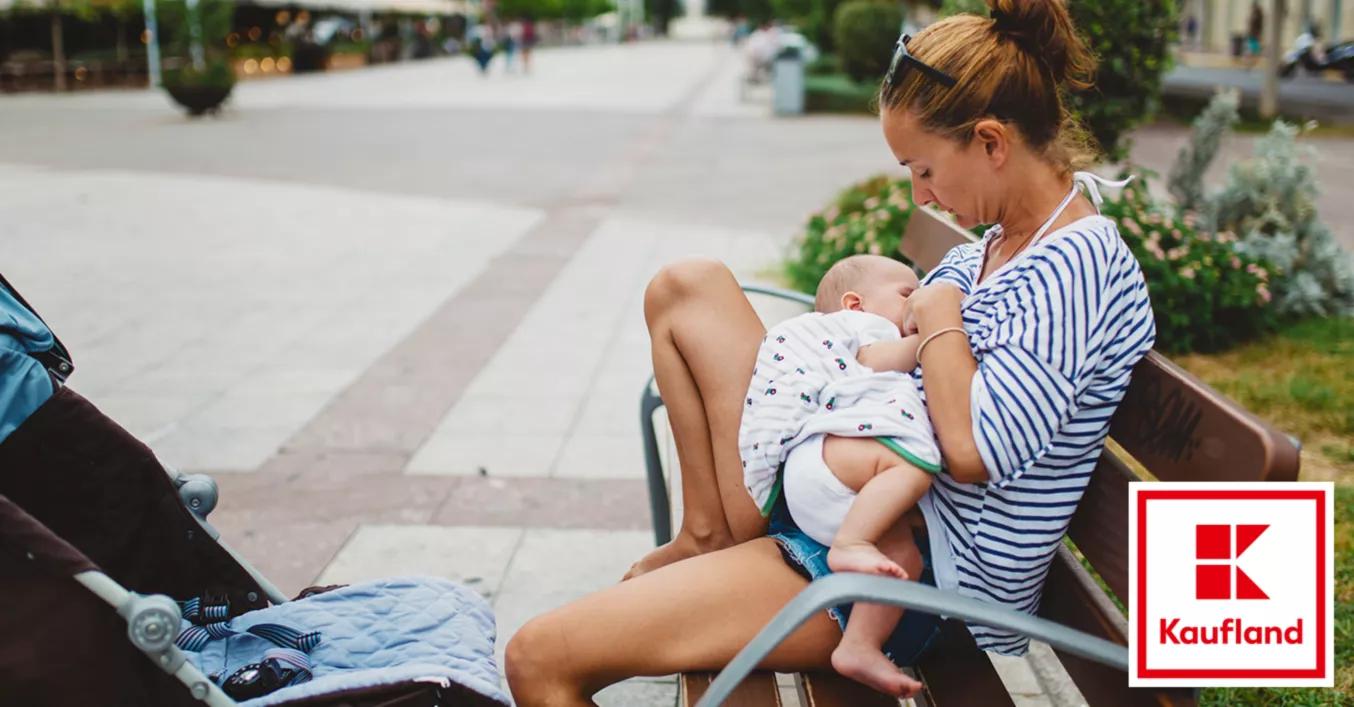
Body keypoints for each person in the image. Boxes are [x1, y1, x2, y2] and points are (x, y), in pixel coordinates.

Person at [504, 1, 1157, 704]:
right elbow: (903, 352)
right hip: (839, 484)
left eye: (925, 169)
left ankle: (724, 548)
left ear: (992, 143)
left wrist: (936, 313)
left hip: (900, 572)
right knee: (686, 287)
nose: (921, 195)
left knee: (539, 658)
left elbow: (970, 449)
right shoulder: (1001, 243)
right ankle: (705, 533)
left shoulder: (1078, 264)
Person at [732, 254, 944, 695]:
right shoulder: (863, 326)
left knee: (904, 561)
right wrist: (934, 337)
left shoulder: (858, 321)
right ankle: (851, 542)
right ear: (854, 303)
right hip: (831, 465)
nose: (915, 302)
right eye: (907, 294)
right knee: (909, 468)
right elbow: (877, 359)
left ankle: (859, 645)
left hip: (835, 494)